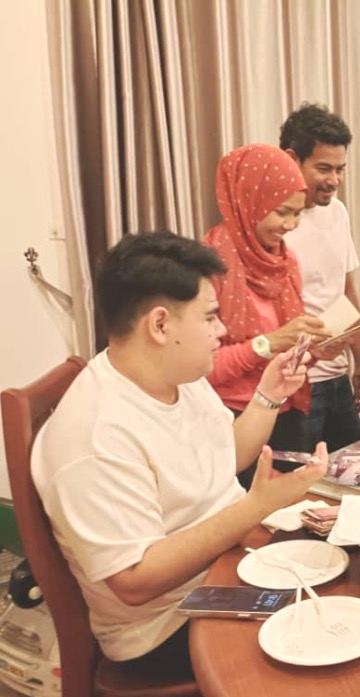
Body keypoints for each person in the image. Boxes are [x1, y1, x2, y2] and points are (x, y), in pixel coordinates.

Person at [30, 232, 328, 671]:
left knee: (345, 571)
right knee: (330, 636)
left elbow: (227, 457)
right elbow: (134, 581)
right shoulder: (96, 434)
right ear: (160, 324)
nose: (221, 331)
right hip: (167, 626)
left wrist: (269, 394)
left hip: (224, 568)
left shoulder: (177, 377)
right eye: (210, 317)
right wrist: (255, 507)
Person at [203, 144, 344, 485]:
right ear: (248, 202)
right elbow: (203, 369)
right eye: (282, 212)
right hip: (232, 418)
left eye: (297, 213)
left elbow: (285, 348)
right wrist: (269, 343)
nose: (291, 225)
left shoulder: (284, 261)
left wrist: (312, 350)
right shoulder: (209, 265)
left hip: (286, 410)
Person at [280, 103, 360, 452]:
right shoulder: (275, 224)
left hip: (337, 375)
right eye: (324, 168)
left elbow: (346, 289)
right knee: (302, 484)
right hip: (299, 382)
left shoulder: (338, 212)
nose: (334, 180)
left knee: (356, 474)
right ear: (291, 159)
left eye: (340, 169)